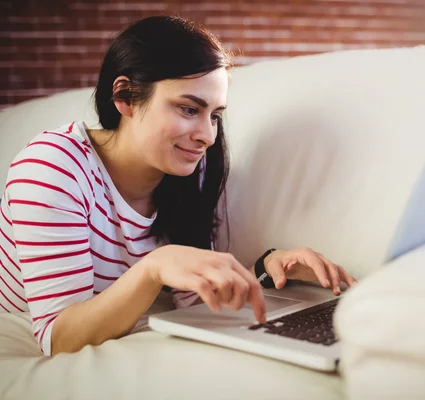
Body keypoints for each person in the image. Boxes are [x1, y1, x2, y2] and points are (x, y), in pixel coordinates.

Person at [0, 16, 356, 356]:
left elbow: (195, 301)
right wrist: (155, 266)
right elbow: (60, 336)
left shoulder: (185, 172)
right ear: (124, 96)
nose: (207, 136)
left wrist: (270, 268)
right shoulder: (53, 166)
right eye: (189, 109)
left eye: (215, 115)